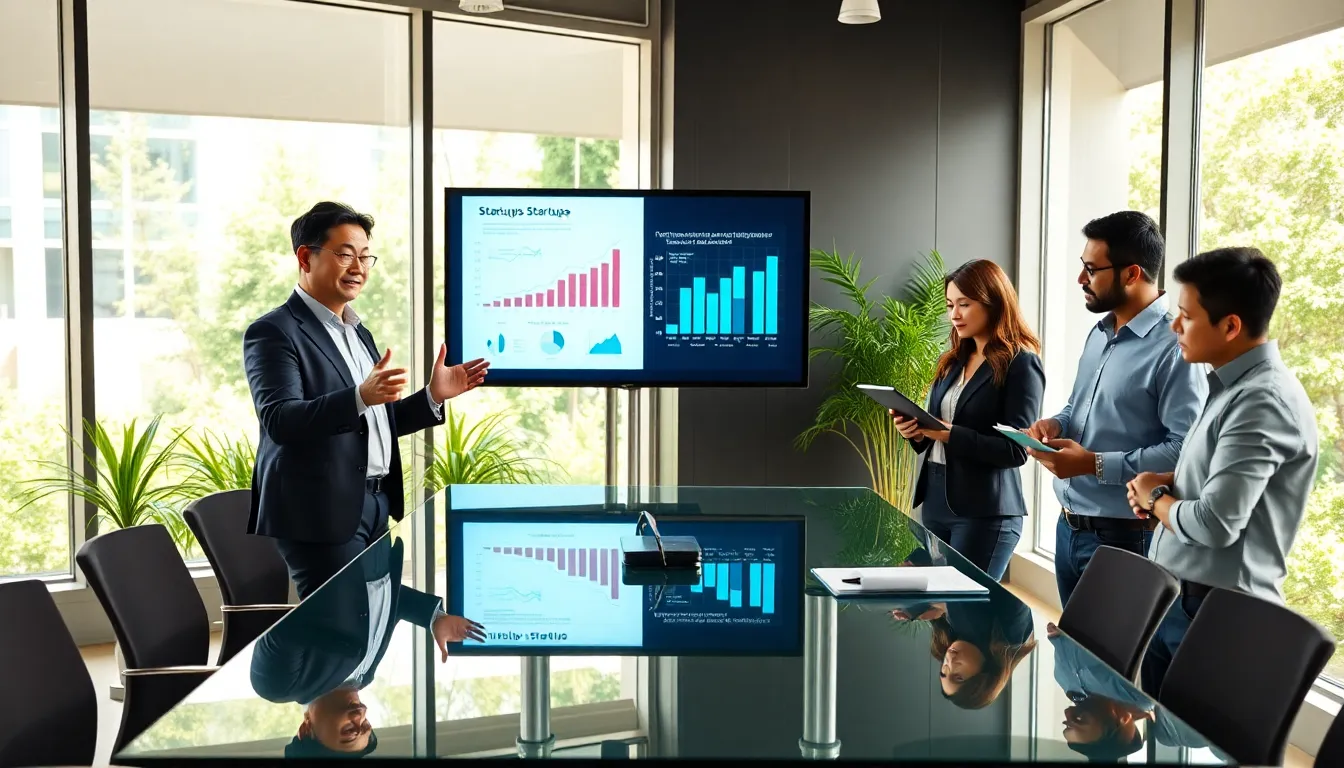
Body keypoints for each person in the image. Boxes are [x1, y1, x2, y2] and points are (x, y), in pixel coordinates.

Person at [243, 201, 490, 598]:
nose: (358, 266)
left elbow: (374, 419)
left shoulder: (358, 332)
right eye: (344, 255)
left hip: (374, 503)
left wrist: (432, 397)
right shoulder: (274, 332)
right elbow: (281, 420)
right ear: (306, 257)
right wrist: (359, 395)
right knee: (342, 632)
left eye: (364, 256)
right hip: (320, 512)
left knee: (372, 623)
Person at [1126, 247, 1317, 696]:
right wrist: (1164, 490)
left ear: (1231, 326)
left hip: (1214, 616)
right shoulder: (1229, 386)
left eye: (1186, 317)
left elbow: (1215, 524)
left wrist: (1158, 501)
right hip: (1183, 602)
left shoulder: (1261, 401)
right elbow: (1215, 483)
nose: (1175, 326)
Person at [1024, 211, 1206, 607]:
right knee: (1073, 661)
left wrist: (1092, 464)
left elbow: (1184, 450)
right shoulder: (1100, 332)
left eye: (1091, 269)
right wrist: (1055, 424)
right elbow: (1079, 406)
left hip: (1125, 537)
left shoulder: (1176, 348)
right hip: (1068, 529)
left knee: (1113, 666)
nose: (1080, 280)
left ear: (1131, 274)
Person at [250, 534, 486, 757]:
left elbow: (281, 631)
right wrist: (434, 619)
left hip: (328, 537)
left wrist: (351, 652)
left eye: (350, 730)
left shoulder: (278, 686)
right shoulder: (366, 674)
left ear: (306, 730)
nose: (360, 716)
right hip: (375, 541)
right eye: (366, 726)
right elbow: (386, 602)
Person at [892, 258, 1045, 581]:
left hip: (985, 511)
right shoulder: (952, 362)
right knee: (939, 615)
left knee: (969, 613)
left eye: (965, 304)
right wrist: (915, 431)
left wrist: (947, 434)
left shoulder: (1020, 364)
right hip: (935, 501)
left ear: (993, 302)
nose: (954, 314)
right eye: (950, 305)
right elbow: (936, 430)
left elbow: (1016, 451)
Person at [890, 528, 1037, 710]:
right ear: (984, 677)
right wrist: (939, 602)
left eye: (944, 672)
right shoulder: (1011, 638)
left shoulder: (951, 630)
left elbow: (933, 558)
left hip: (942, 528)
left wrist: (914, 572)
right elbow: (970, 573)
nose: (949, 663)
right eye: (959, 676)